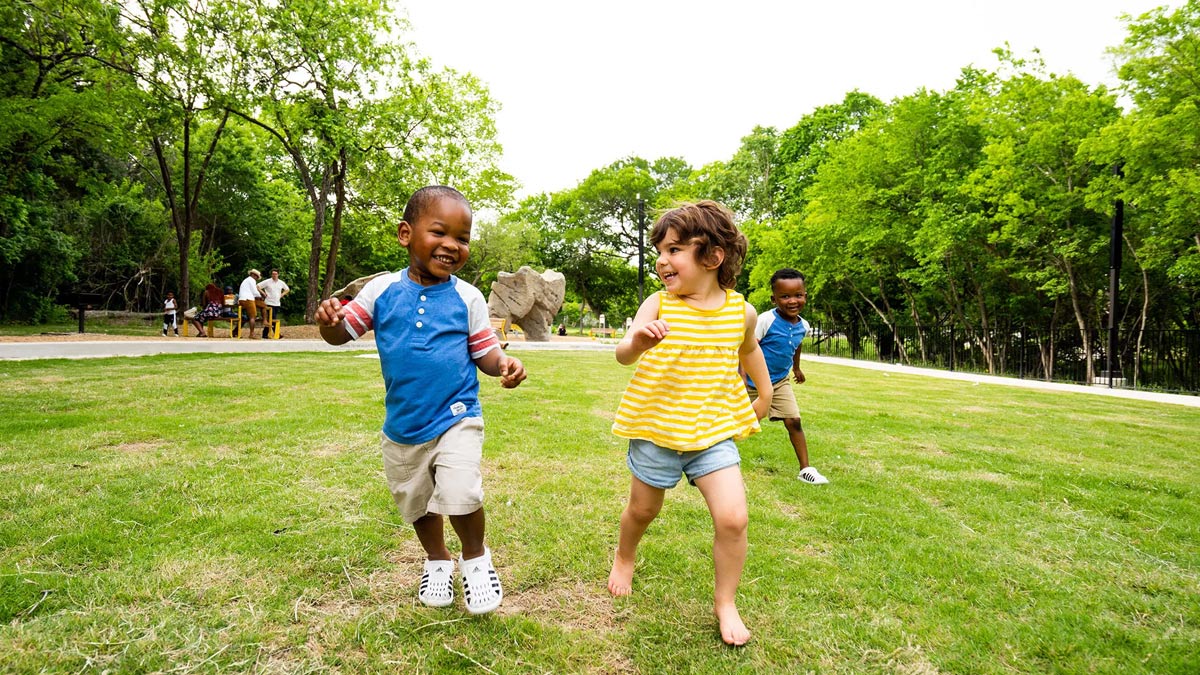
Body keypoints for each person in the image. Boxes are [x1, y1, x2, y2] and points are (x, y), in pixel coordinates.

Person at [315, 185, 526, 615]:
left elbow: (484, 351)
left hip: (456, 415)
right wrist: (328, 323)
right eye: (439, 232)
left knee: (461, 490)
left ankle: (475, 559)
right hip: (404, 425)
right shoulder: (381, 290)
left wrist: (503, 362)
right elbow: (342, 334)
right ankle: (437, 560)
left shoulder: (467, 297)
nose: (452, 245)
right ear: (405, 234)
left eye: (462, 238)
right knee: (416, 501)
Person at [607, 200, 772, 647]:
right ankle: (625, 555)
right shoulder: (658, 304)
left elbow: (748, 350)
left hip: (711, 432)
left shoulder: (742, 312)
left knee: (734, 518)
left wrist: (766, 390)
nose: (662, 260)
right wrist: (637, 340)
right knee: (643, 510)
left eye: (675, 249)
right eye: (660, 250)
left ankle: (726, 602)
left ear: (713, 257)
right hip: (658, 428)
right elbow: (623, 354)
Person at [747, 268, 828, 485]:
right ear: (774, 298)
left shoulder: (804, 325)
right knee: (731, 421)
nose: (792, 301)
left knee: (794, 421)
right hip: (749, 382)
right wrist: (739, 379)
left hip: (779, 381)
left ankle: (806, 469)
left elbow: (797, 345)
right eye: (785, 296)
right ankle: (706, 461)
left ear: (805, 296)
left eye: (798, 295)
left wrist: (797, 368)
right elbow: (746, 349)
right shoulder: (765, 320)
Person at [257, 269, 290, 338]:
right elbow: (258, 286)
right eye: (273, 274)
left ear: (278, 274)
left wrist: (281, 295)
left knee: (271, 319)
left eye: (275, 274)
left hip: (276, 303)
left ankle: (265, 334)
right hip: (268, 302)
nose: (274, 275)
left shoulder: (281, 282)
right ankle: (277, 333)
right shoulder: (268, 281)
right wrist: (263, 293)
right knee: (272, 318)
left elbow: (287, 289)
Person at [237, 269, 263, 339]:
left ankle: (235, 331)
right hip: (248, 299)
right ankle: (252, 334)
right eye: (257, 277)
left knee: (245, 317)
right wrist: (260, 296)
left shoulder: (246, 280)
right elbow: (254, 292)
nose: (257, 278)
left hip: (242, 299)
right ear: (254, 275)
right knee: (252, 317)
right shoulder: (252, 280)